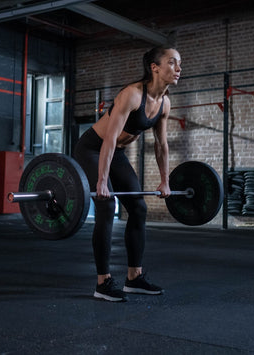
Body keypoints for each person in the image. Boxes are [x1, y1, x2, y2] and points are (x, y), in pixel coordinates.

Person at [73, 46, 181, 302]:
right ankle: (103, 283)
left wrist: (165, 180)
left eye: (179, 64)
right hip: (92, 148)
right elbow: (109, 139)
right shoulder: (131, 95)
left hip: (117, 153)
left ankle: (134, 278)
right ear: (154, 67)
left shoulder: (164, 102)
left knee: (139, 208)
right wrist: (101, 181)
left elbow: (161, 144)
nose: (178, 68)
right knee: (106, 204)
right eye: (172, 62)